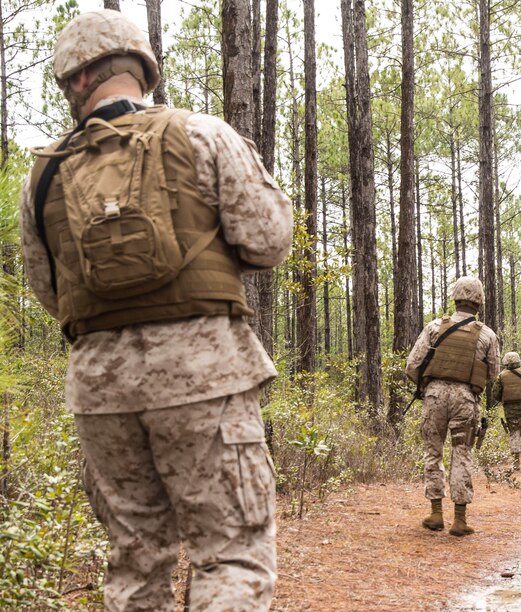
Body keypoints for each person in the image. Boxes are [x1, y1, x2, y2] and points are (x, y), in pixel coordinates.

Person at [18, 10, 293, 609]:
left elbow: (50, 292)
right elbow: (269, 239)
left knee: (135, 559)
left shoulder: (43, 175)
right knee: (232, 554)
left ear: (76, 79)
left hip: (100, 391)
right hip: (206, 376)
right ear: (138, 67)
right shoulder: (201, 135)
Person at [406, 276, 500, 536]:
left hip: (434, 396)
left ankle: (436, 513)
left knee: (432, 452)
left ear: (455, 297)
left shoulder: (435, 327)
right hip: (465, 398)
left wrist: (427, 386)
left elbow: (412, 365)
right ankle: (459, 519)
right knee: (461, 453)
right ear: (479, 301)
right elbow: (493, 373)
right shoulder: (486, 334)